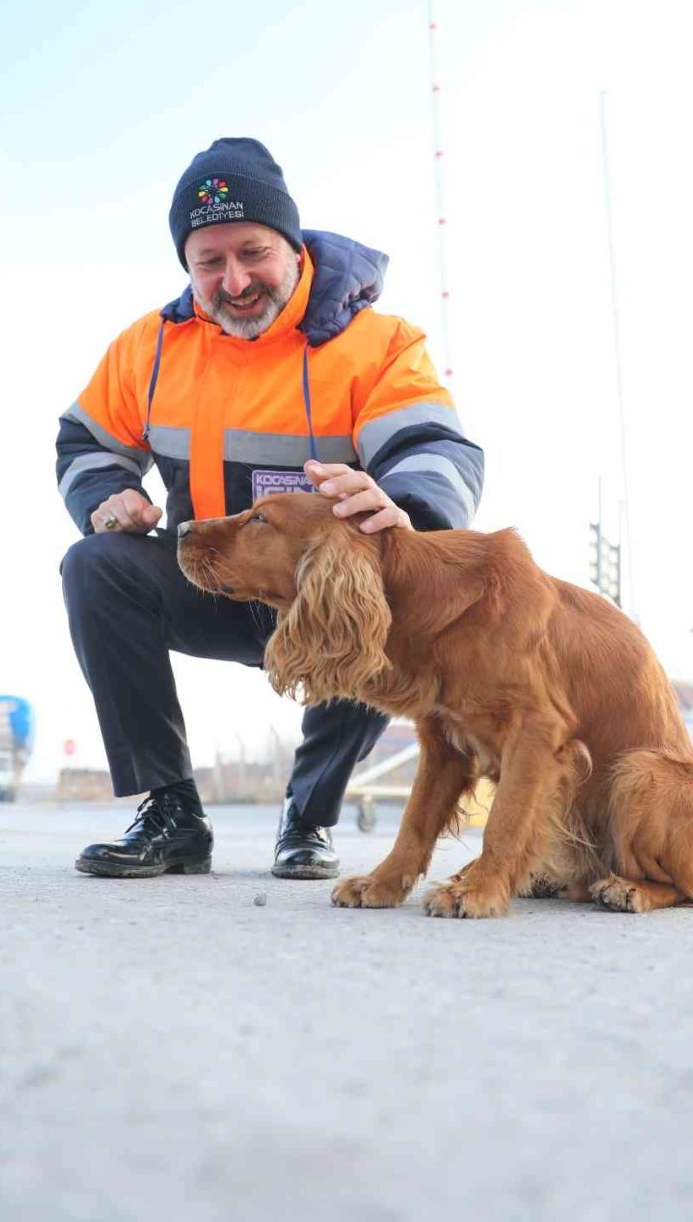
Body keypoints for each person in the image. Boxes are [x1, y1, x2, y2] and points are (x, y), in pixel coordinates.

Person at [57, 136, 484, 881]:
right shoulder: (149, 348)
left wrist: (405, 505)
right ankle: (171, 812)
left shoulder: (377, 343)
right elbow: (84, 441)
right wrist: (105, 496)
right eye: (209, 262)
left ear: (291, 244)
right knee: (93, 566)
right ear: (187, 265)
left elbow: (435, 446)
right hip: (210, 577)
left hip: (323, 587)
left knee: (385, 577)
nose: (235, 280)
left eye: (253, 253)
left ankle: (308, 817)